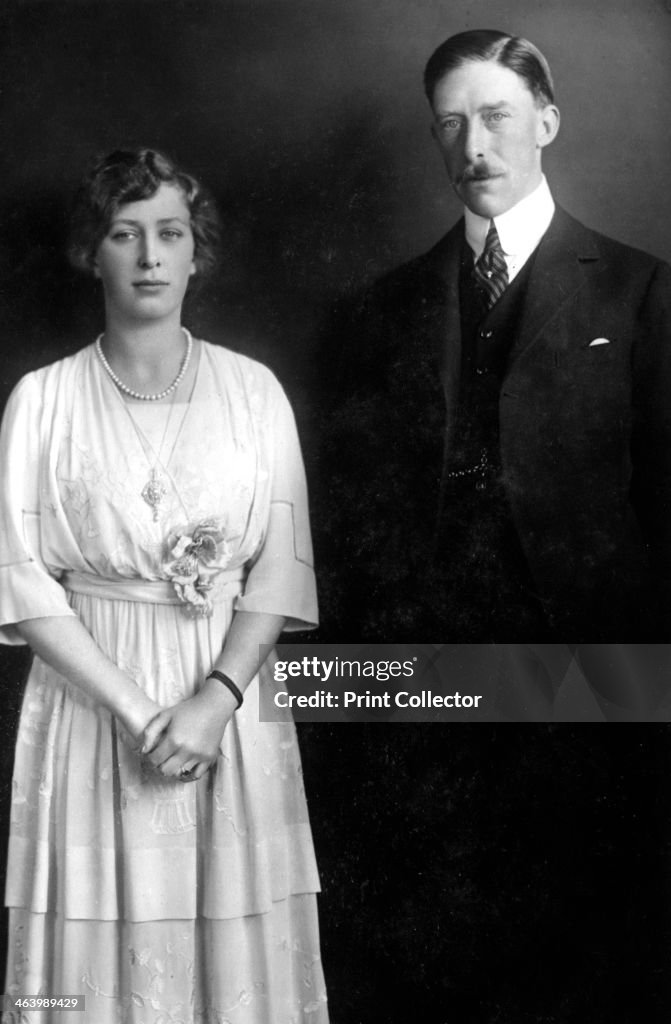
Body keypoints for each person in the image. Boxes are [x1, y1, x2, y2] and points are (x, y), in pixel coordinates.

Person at [0, 148, 329, 1023]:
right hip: (91, 703)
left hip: (226, 701)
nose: (149, 256)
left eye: (169, 233)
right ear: (92, 252)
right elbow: (21, 580)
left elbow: (281, 567)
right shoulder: (42, 400)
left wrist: (214, 700)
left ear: (196, 252)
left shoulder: (254, 392)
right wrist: (139, 712)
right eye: (124, 233)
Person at [321, 29, 671, 642]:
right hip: (431, 665)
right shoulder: (383, 305)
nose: (474, 147)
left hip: (591, 658)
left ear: (546, 123)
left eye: (496, 116)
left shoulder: (641, 289)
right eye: (452, 124)